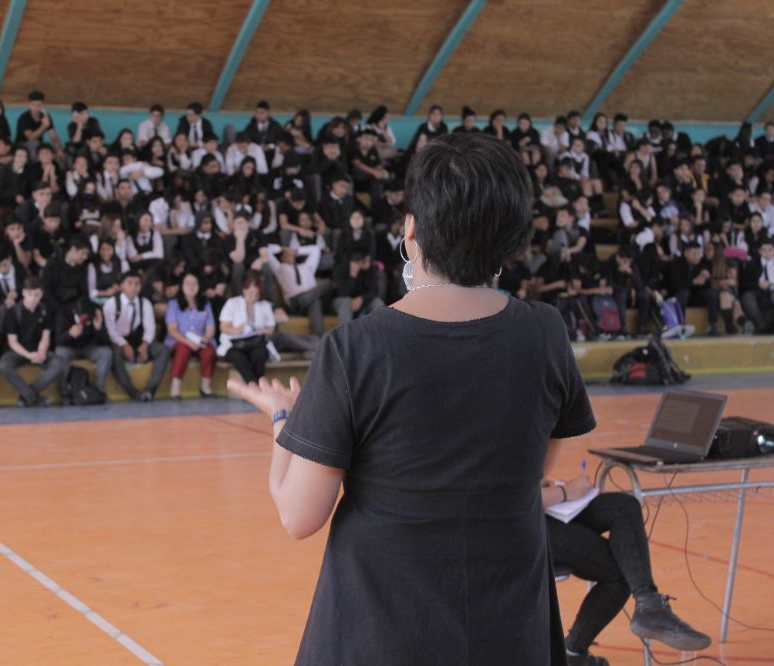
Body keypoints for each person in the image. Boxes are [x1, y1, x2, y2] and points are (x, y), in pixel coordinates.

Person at [228, 134, 594, 665]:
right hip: (509, 630)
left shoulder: (356, 348)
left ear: (412, 230)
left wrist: (286, 419)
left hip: (382, 633)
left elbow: (298, 515)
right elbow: (533, 467)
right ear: (512, 236)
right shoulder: (545, 333)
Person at [546, 481, 711, 665]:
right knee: (623, 568)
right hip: (525, 528)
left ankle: (649, 604)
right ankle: (572, 653)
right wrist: (564, 492)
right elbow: (519, 497)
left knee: (624, 507)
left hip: (540, 508)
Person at [103, 271, 170, 401]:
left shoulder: (145, 303)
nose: (133, 287)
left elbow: (150, 328)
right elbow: (110, 330)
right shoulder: (111, 304)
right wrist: (124, 345)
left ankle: (150, 390)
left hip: (138, 340)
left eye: (137, 284)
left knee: (163, 350)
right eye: (130, 283)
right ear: (122, 286)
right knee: (114, 353)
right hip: (118, 341)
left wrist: (144, 344)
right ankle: (133, 392)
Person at [165, 272, 217, 399]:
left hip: (200, 340)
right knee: (183, 350)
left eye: (194, 284)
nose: (191, 287)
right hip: (179, 340)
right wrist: (189, 342)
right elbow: (172, 330)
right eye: (187, 283)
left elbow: (211, 327)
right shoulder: (174, 304)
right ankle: (175, 389)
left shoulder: (205, 304)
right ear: (182, 286)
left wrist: (205, 338)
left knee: (209, 351)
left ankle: (205, 387)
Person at [218, 270, 276, 383]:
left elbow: (271, 328)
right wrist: (235, 330)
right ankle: (255, 386)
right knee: (238, 357)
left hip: (255, 342)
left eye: (254, 292)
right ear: (244, 290)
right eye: (249, 291)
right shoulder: (232, 303)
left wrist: (263, 330)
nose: (251, 295)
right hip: (234, 343)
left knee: (260, 354)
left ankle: (255, 386)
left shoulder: (264, 305)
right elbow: (223, 327)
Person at [53, 297, 113, 404]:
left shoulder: (97, 313)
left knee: (106, 352)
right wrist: (69, 334)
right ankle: (64, 391)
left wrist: (98, 328)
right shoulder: (63, 313)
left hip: (89, 347)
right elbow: (57, 341)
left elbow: (105, 342)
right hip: (69, 347)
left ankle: (99, 390)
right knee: (60, 353)